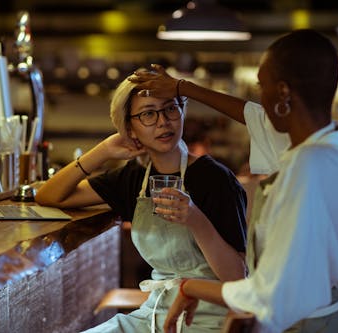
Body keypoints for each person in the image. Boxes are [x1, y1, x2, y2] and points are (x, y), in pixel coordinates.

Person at [129, 29, 338, 333]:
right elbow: (254, 116)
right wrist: (181, 87)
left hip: (314, 325)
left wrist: (192, 288)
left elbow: (269, 295)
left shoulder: (305, 168)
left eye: (262, 86)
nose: (260, 97)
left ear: (282, 93)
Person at [35, 73, 248, 332]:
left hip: (209, 320)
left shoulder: (214, 178)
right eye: (148, 114)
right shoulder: (133, 177)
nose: (163, 122)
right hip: (154, 315)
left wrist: (196, 220)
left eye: (171, 109)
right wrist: (102, 151)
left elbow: (237, 278)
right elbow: (49, 195)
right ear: (129, 127)